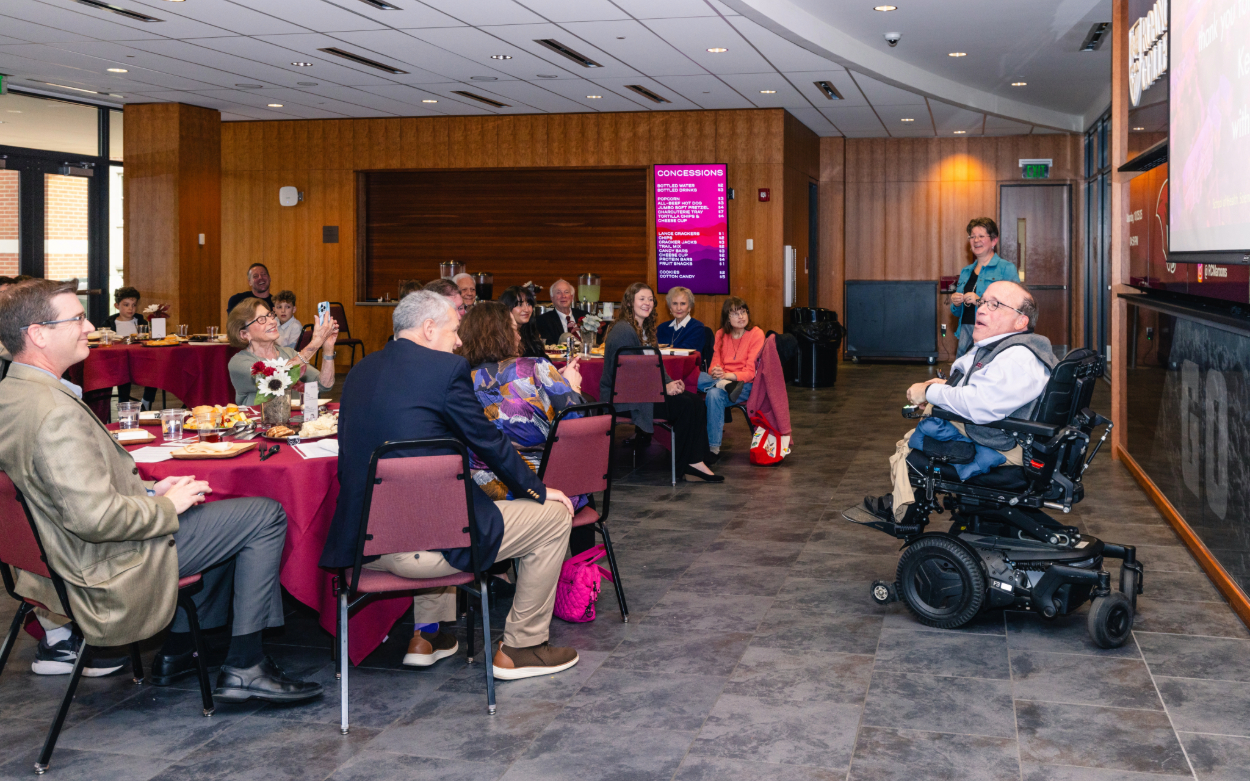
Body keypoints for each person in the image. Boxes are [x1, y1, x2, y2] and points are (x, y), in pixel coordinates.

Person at [0, 278, 322, 702]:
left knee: (221, 512)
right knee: (263, 515)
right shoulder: (54, 412)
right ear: (38, 334)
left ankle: (183, 648)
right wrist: (165, 506)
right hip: (106, 567)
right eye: (77, 318)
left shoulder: (14, 393)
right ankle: (245, 666)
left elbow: (65, 492)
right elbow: (94, 519)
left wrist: (152, 493)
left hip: (60, 557)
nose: (89, 326)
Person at [320, 291, 581, 680]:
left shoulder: (359, 370)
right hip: (424, 549)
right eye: (454, 330)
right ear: (428, 329)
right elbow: (488, 441)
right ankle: (523, 647)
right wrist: (539, 491)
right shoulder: (446, 370)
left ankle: (433, 636)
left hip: (363, 546)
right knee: (554, 518)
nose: (459, 341)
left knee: (440, 504)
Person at [865, 280, 1056, 524]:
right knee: (932, 415)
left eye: (995, 304)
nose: (982, 309)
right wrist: (939, 389)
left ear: (1021, 321)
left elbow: (980, 404)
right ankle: (905, 503)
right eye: (983, 301)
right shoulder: (1003, 348)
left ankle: (903, 515)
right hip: (1006, 434)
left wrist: (931, 392)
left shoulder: (1019, 358)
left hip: (1010, 448)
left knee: (911, 445)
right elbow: (971, 378)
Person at [601, 282, 723, 483]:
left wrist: (671, 382)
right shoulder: (623, 330)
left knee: (694, 402)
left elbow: (655, 365)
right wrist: (662, 388)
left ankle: (695, 462)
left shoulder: (644, 329)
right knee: (684, 406)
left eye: (650, 299)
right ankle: (686, 465)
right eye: (642, 299)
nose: (647, 303)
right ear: (630, 302)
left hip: (644, 392)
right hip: (626, 398)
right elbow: (629, 375)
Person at [226, 298, 337, 405]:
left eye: (270, 315)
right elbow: (275, 380)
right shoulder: (238, 362)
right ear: (244, 334)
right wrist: (316, 342)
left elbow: (324, 385)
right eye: (261, 319)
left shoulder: (289, 354)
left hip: (292, 422)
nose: (273, 322)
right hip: (258, 422)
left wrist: (328, 348)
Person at [696, 297, 765, 463]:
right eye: (735, 314)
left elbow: (750, 372)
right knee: (695, 377)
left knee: (712, 392)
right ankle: (714, 448)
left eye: (743, 312)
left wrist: (726, 376)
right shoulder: (721, 334)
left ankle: (713, 448)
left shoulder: (756, 334)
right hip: (724, 384)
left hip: (745, 386)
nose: (741, 317)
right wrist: (717, 372)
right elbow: (714, 366)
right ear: (727, 318)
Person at [951, 218, 1019, 357]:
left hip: (993, 335)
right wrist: (956, 302)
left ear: (994, 241)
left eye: (981, 236)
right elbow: (957, 313)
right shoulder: (965, 271)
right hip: (966, 333)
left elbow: (1017, 307)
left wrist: (980, 302)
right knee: (961, 375)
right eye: (972, 236)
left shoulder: (1006, 269)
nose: (976, 240)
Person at [103, 286, 159, 411]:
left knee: (155, 370)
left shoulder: (141, 322)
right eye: (126, 305)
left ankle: (147, 401)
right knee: (124, 371)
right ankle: (123, 403)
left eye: (134, 305)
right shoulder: (109, 323)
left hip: (140, 359)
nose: (130, 308)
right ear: (117, 305)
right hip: (120, 361)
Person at [499, 285, 546, 358]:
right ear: (507, 307)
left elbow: (543, 359)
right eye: (520, 305)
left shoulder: (530, 332)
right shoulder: (500, 337)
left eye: (528, 304)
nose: (526, 310)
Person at [535, 279, 586, 345]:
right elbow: (548, 345)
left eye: (566, 292)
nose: (563, 296)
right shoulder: (543, 321)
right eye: (558, 293)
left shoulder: (585, 316)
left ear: (571, 297)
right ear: (552, 298)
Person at [656, 286, 705, 351]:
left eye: (683, 304)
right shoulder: (661, 328)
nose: (678, 308)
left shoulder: (697, 328)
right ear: (670, 308)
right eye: (675, 303)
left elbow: (686, 353)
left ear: (689, 307)